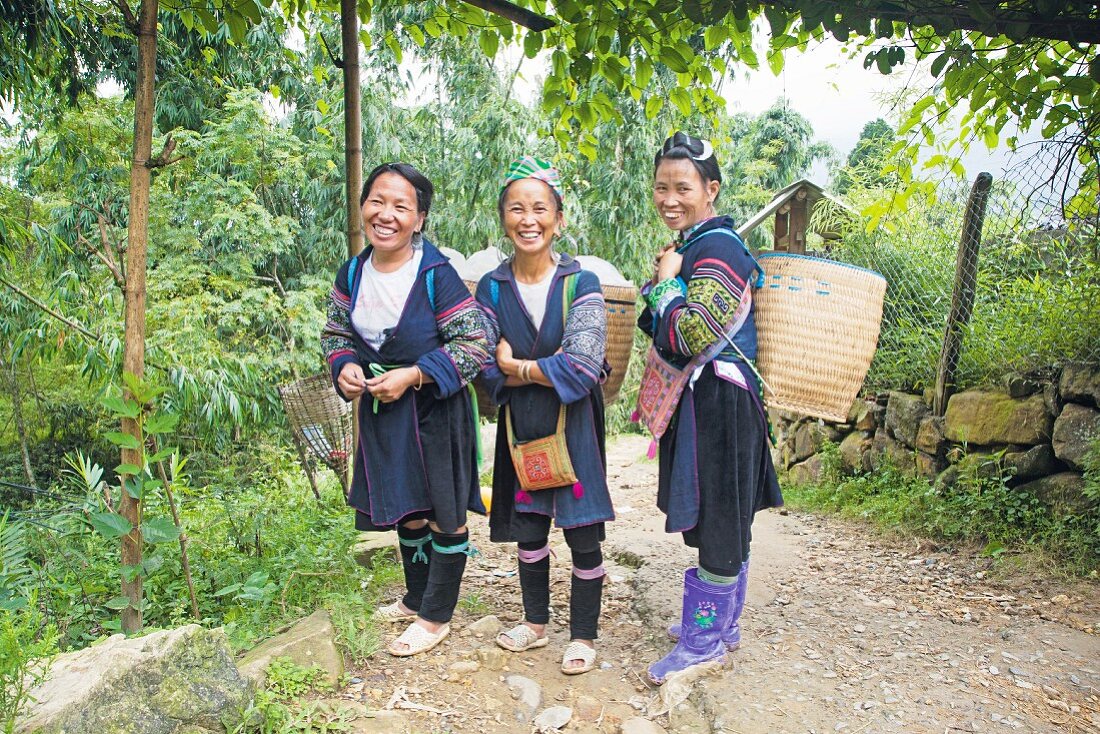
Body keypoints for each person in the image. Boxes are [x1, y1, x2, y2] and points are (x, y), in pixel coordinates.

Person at [321, 162, 490, 657]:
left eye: (402, 206)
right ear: (362, 208)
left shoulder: (436, 274)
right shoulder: (353, 272)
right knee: (405, 511)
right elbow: (335, 333)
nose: (387, 214)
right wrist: (346, 367)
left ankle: (436, 616)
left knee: (443, 513)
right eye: (378, 201)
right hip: (383, 412)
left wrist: (415, 374)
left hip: (434, 413)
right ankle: (416, 596)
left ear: (419, 219)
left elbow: (474, 343)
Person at [637, 133, 783, 684]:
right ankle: (721, 625)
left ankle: (703, 640)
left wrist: (669, 286)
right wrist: (666, 286)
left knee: (720, 518)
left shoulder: (719, 248)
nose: (669, 198)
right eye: (661, 188)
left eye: (683, 187)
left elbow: (690, 333)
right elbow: (659, 322)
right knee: (719, 516)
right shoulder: (692, 245)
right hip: (710, 402)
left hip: (720, 402)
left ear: (711, 189)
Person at [476, 156, 613, 675]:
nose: (527, 219)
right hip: (522, 427)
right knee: (529, 528)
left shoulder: (583, 284)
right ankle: (535, 623)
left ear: (558, 218)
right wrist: (530, 370)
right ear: (503, 217)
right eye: (516, 208)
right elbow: (483, 371)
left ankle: (582, 634)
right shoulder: (491, 288)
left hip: (572, 425)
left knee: (582, 532)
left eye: (539, 208)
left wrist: (517, 366)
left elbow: (582, 371)